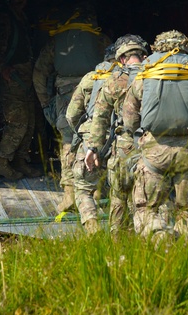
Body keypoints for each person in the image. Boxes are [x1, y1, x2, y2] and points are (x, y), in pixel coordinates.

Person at [122, 30, 188, 239]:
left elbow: (129, 115)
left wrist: (137, 135)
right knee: (187, 210)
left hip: (155, 150)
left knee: (149, 208)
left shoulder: (147, 70)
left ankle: (160, 242)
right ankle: (186, 251)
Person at [33, 4, 108, 212]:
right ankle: (97, 191)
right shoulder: (100, 38)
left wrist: (45, 102)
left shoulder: (56, 41)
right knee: (97, 137)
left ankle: (69, 195)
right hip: (96, 91)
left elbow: (39, 72)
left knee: (67, 139)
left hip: (65, 94)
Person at [85, 35, 150, 234]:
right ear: (144, 55)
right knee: (147, 200)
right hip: (150, 146)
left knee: (119, 198)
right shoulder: (154, 76)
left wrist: (93, 149)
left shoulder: (114, 81)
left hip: (123, 148)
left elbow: (100, 118)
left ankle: (117, 240)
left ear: (121, 59)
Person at [0, 0, 40, 180]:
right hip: (11, 78)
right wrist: (2, 69)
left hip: (25, 77)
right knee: (18, 123)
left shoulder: (21, 17)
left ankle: (19, 161)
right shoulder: (4, 19)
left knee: (30, 122)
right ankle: (1, 163)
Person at [66, 45, 119, 234]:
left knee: (83, 188)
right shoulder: (126, 79)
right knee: (119, 187)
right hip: (117, 139)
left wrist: (81, 132)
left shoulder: (90, 78)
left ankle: (91, 224)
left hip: (89, 139)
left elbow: (71, 114)